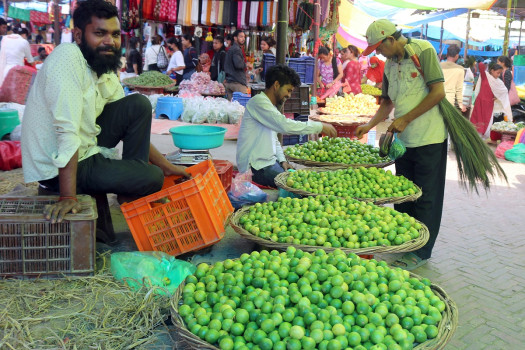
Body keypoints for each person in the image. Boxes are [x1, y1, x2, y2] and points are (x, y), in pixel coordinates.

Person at [21, 0, 189, 224]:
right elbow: (66, 130)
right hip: (56, 164)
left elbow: (131, 121)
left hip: (85, 147)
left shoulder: (102, 65)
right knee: (152, 177)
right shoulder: (68, 58)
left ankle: (130, 191)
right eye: (100, 33)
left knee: (138, 104)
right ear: (79, 36)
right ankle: (134, 185)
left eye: (115, 34)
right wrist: (68, 196)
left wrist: (166, 165)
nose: (110, 41)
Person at [355, 19, 448, 270]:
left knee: (426, 196)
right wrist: (370, 124)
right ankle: (406, 243)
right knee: (404, 195)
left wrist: (406, 118)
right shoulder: (388, 66)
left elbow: (438, 92)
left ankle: (421, 251)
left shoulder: (423, 50)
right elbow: (387, 103)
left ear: (391, 39)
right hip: (404, 142)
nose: (377, 52)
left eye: (379, 47)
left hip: (429, 137)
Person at [236, 64, 337, 187]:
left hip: (267, 163)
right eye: (288, 90)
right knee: (300, 184)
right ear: (277, 85)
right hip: (255, 168)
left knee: (301, 177)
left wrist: (283, 160)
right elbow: (285, 126)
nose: (289, 95)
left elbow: (273, 138)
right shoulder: (259, 103)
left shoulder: (269, 106)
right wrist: (320, 126)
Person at [470, 62, 512, 139]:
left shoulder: (498, 82)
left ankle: (481, 139)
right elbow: (481, 65)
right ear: (492, 70)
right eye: (497, 73)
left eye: (500, 73)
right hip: (479, 103)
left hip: (489, 104)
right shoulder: (485, 76)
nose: (499, 75)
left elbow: (504, 90)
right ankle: (475, 138)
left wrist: (497, 97)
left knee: (486, 120)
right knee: (477, 119)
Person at [440, 45, 466, 113]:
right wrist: (460, 103)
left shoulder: (438, 65)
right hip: (449, 100)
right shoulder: (460, 69)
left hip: (437, 98)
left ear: (447, 54)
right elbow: (459, 88)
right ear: (457, 56)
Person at [224, 30, 248, 100]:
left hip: (229, 82)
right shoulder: (236, 49)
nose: (243, 39)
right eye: (241, 37)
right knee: (241, 107)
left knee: (232, 108)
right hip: (237, 83)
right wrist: (246, 65)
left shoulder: (231, 49)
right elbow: (238, 65)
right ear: (235, 38)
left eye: (244, 37)